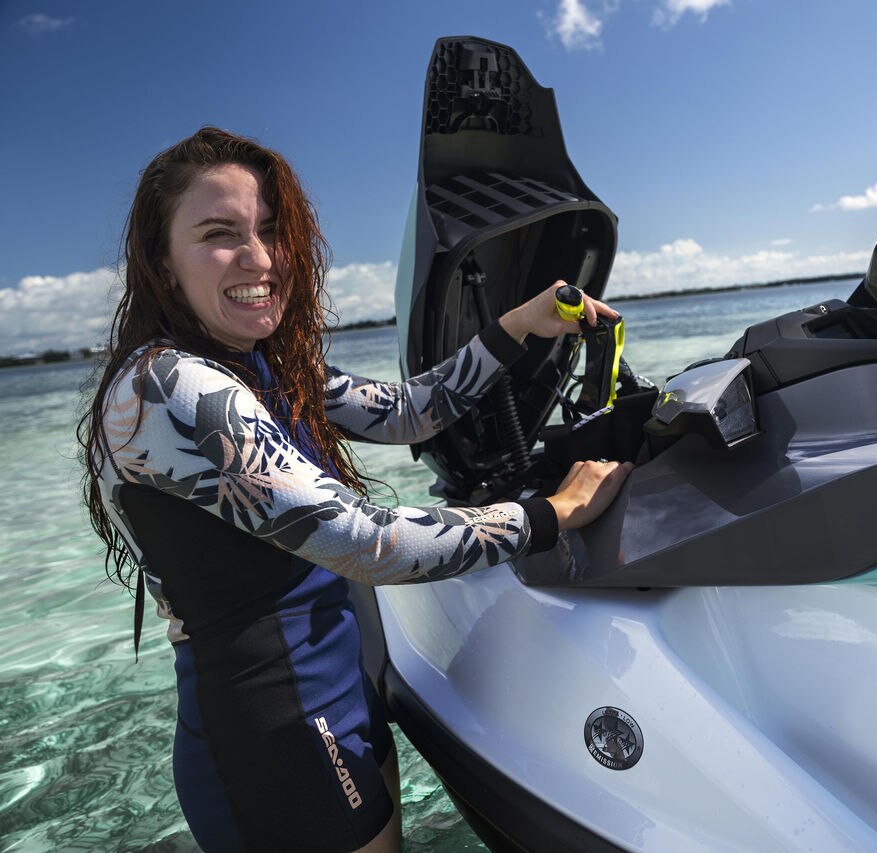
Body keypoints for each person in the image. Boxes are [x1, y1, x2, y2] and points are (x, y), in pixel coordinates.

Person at [79, 126, 632, 852]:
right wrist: (551, 513)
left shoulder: (261, 362)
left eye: (272, 231)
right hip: (273, 735)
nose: (260, 257)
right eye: (221, 234)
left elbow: (407, 411)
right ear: (160, 261)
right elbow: (368, 541)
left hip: (342, 692)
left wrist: (519, 324)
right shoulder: (167, 387)